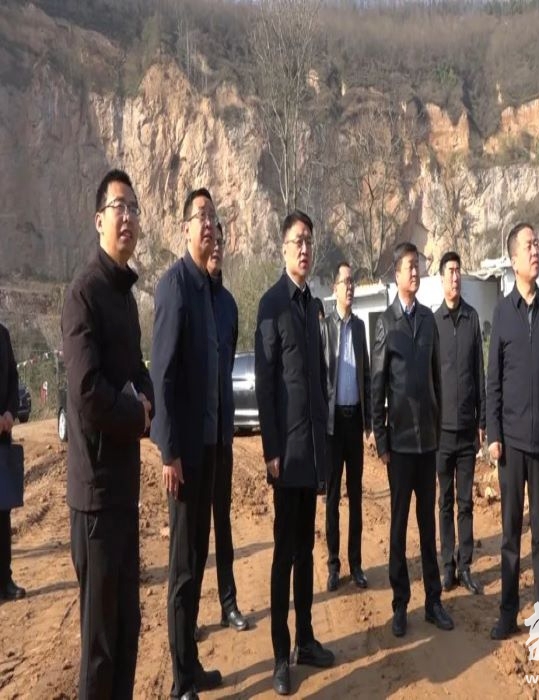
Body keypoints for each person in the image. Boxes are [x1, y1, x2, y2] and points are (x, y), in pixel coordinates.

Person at [61, 169, 154, 698]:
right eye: (119, 207)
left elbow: (138, 371)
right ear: (99, 220)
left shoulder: (125, 298)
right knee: (99, 645)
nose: (128, 217)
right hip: (94, 497)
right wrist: (137, 414)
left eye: (134, 208)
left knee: (127, 628)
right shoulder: (84, 294)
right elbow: (88, 392)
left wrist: (147, 400)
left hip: (124, 490)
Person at [255, 210, 334, 696]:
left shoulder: (314, 307)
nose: (304, 249)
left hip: (313, 451)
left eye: (309, 241)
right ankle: (280, 655)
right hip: (286, 453)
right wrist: (270, 449)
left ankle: (306, 639)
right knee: (284, 554)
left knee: (306, 551)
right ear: (283, 248)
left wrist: (325, 446)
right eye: (296, 241)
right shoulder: (272, 305)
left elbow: (319, 381)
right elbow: (266, 385)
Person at [150, 188, 223, 699]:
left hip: (211, 449)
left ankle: (192, 665)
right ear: (185, 229)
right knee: (181, 568)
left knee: (198, 559)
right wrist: (168, 451)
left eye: (213, 217)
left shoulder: (208, 292)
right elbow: (163, 376)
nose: (209, 224)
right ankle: (180, 683)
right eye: (200, 216)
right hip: (184, 457)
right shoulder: (174, 287)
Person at [486, 222, 539, 641]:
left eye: (538, 244)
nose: (536, 251)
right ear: (513, 259)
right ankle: (507, 613)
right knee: (509, 535)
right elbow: (493, 382)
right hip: (511, 445)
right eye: (529, 246)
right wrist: (493, 435)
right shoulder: (503, 313)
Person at [372, 241, 454, 638]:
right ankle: (400, 603)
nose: (416, 271)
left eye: (418, 265)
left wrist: (438, 426)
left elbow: (436, 378)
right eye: (409, 266)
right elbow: (377, 385)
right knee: (399, 525)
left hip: (427, 443)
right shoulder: (386, 324)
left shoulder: (427, 320)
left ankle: (433, 601)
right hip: (401, 444)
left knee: (427, 525)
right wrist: (381, 439)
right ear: (396, 274)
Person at [201, 223, 249, 632]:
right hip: (194, 438)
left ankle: (228, 603)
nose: (216, 248)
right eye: (211, 242)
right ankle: (188, 617)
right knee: (193, 534)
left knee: (223, 523)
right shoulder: (187, 298)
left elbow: (228, 363)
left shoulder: (230, 306)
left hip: (223, 433)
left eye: (221, 243)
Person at [434, 251, 485, 595]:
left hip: (467, 430)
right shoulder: (433, 322)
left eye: (458, 271)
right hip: (441, 432)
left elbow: (479, 372)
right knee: (445, 501)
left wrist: (483, 419)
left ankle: (465, 565)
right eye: (450, 271)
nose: (456, 277)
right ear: (441, 278)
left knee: (466, 501)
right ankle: (447, 568)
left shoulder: (471, 318)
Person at [321, 262, 371, 593]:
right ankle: (333, 565)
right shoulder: (325, 328)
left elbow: (365, 374)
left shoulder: (360, 327)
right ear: (334, 288)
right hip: (333, 424)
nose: (350, 287)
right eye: (345, 282)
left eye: (352, 282)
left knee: (355, 496)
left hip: (355, 422)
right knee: (332, 498)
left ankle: (356, 564)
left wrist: (369, 422)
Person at [0, 323, 24, 602]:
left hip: (3, 437)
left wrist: (9, 412)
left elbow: (13, 377)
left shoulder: (3, 334)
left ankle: (4, 579)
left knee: (2, 511)